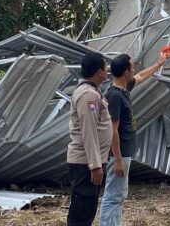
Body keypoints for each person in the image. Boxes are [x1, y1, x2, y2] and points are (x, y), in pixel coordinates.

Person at [98, 52, 166, 226]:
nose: (134, 68)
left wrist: (158, 64)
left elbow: (141, 76)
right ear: (126, 72)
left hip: (124, 151)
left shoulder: (123, 89)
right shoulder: (114, 96)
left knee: (119, 194)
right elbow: (113, 131)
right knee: (113, 195)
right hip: (118, 154)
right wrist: (118, 159)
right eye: (132, 66)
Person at [67, 52, 112, 226]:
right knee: (82, 211)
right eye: (105, 68)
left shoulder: (93, 92)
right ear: (99, 71)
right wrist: (95, 165)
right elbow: (89, 131)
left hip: (89, 162)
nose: (107, 71)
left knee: (87, 209)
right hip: (86, 163)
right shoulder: (88, 95)